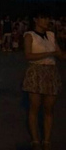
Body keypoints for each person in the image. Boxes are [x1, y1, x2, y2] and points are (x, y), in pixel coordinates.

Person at [22, 11, 65, 150]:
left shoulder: (51, 35)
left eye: (48, 17)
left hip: (51, 72)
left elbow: (60, 55)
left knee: (49, 108)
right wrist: (51, 53)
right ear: (36, 19)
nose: (47, 20)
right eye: (44, 17)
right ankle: (35, 140)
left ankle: (46, 140)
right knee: (34, 107)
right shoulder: (29, 35)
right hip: (36, 71)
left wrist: (59, 54)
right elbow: (28, 55)